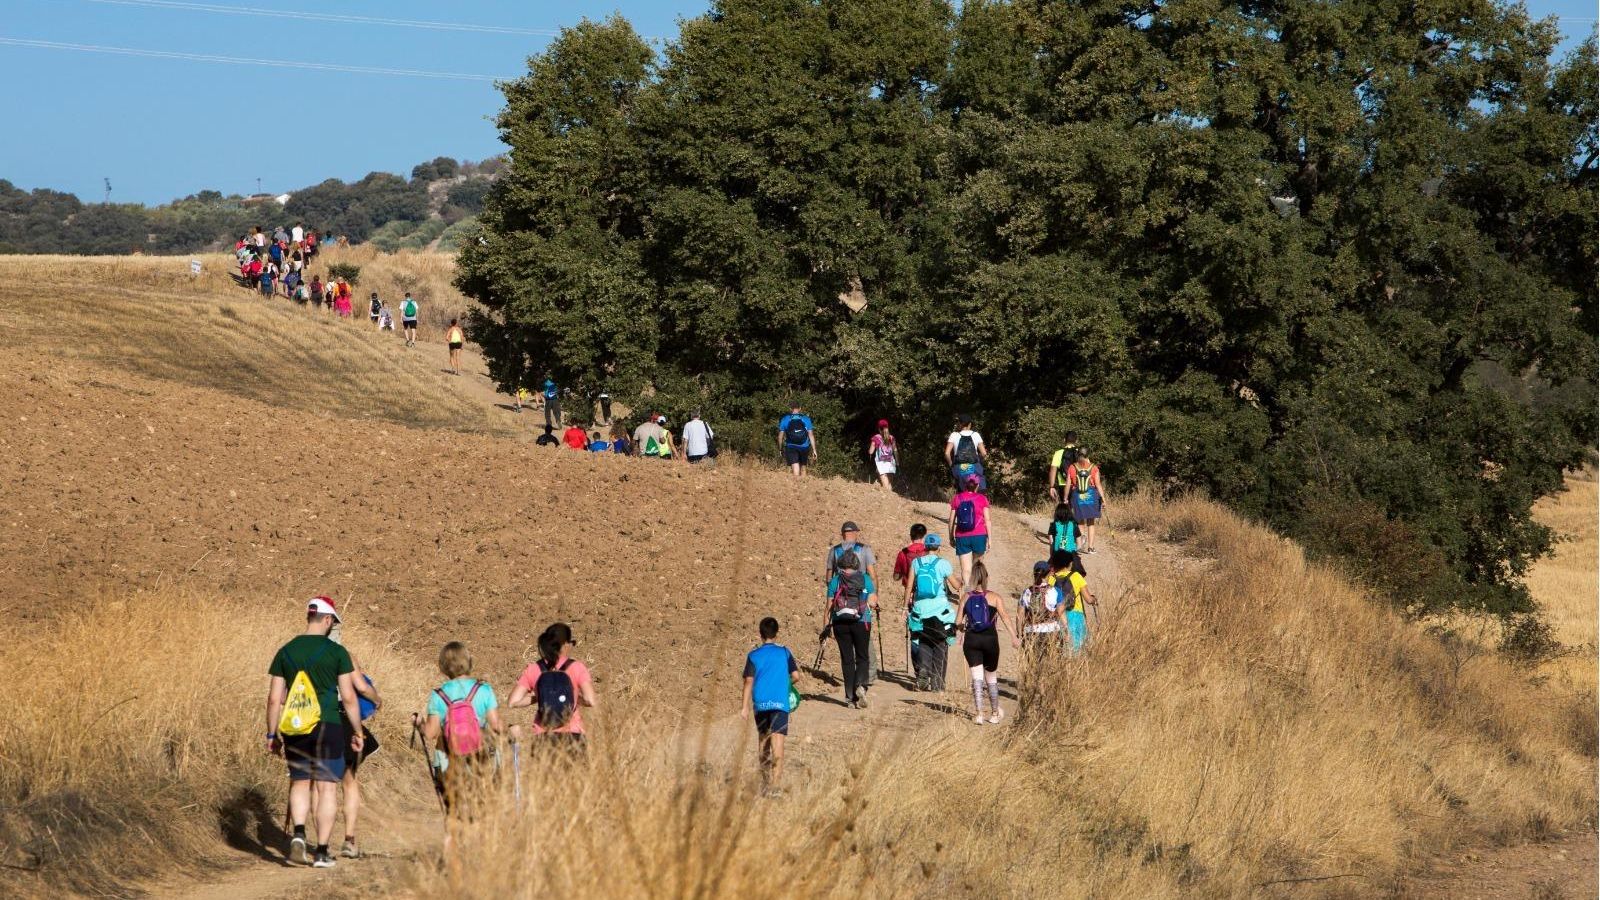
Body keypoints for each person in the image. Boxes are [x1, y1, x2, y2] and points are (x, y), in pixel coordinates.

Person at [265, 597, 364, 868]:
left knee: (300, 781)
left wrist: (272, 735)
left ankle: (298, 834)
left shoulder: (285, 651)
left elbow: (274, 699)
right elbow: (349, 697)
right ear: (328, 619)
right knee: (326, 787)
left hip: (295, 727)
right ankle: (321, 852)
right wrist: (357, 731)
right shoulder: (337, 652)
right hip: (328, 725)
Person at [418, 641, 505, 814]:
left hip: (449, 760)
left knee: (453, 812)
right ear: (469, 661)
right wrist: (510, 729)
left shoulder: (438, 695)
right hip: (480, 757)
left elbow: (430, 733)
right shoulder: (484, 689)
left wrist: (418, 723)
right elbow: (497, 726)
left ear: (443, 666)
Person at [329, 624, 382, 860]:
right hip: (342, 720)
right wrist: (377, 700)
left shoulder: (304, 653)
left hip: (313, 720)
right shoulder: (345, 655)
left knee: (322, 784)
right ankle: (349, 840)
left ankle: (320, 844)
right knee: (349, 781)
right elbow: (361, 687)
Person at [507, 623, 595, 750]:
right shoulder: (577, 667)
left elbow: (513, 702)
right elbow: (590, 700)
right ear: (565, 644)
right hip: (573, 736)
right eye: (572, 643)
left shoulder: (534, 668)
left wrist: (540, 696)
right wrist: (574, 697)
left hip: (543, 737)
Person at [956, 562, 1019, 725]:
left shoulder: (966, 597)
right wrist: (1014, 637)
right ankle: (994, 713)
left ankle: (978, 714)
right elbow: (1005, 617)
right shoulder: (995, 597)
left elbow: (958, 622)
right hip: (990, 640)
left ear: (972, 578)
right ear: (986, 578)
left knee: (976, 677)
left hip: (971, 640)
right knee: (990, 676)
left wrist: (962, 630)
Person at [740, 616, 798, 791]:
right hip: (780, 703)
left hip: (761, 704)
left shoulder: (753, 655)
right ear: (777, 633)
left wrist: (744, 707)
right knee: (777, 741)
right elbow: (796, 676)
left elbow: (748, 681)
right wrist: (784, 684)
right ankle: (776, 786)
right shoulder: (785, 652)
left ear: (760, 634)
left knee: (763, 741)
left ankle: (765, 783)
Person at [825, 522, 879, 689]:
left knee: (846, 654)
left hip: (840, 607)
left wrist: (836, 592)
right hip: (861, 603)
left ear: (842, 533)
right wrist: (873, 595)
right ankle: (868, 676)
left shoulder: (834, 551)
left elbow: (828, 577)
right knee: (864, 644)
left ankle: (850, 690)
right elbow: (872, 574)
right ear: (856, 532)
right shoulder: (864, 549)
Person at [903, 534, 958, 692]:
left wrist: (905, 607)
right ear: (938, 547)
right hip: (941, 612)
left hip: (921, 609)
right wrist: (961, 583)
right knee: (941, 643)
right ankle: (937, 683)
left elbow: (909, 586)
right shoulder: (943, 564)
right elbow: (956, 586)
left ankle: (923, 669)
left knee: (924, 641)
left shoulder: (916, 562)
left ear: (925, 547)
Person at [821, 549, 875, 708]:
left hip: (840, 622)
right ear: (856, 564)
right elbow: (872, 602)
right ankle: (860, 685)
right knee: (862, 656)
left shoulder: (835, 580)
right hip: (862, 621)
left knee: (847, 659)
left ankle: (850, 698)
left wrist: (826, 627)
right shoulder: (865, 579)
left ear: (840, 564)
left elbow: (829, 607)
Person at [1047, 549, 1096, 654]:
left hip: (1058, 616)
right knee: (1077, 650)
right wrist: (1094, 599)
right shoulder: (1076, 576)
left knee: (1059, 650)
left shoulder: (1051, 579)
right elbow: (1088, 599)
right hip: (1076, 616)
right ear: (1070, 563)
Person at [948, 474, 991, 588]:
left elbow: (951, 520)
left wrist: (951, 537)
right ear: (977, 485)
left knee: (966, 569)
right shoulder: (982, 498)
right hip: (979, 535)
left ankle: (968, 591)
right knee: (977, 566)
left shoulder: (957, 498)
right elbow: (987, 520)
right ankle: (977, 590)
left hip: (962, 536)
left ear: (965, 485)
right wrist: (990, 539)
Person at [1068, 452, 1105, 553]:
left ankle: (1081, 541)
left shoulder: (1072, 467)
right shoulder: (1094, 468)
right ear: (1088, 456)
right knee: (1091, 522)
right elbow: (1098, 484)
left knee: (1080, 520)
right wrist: (1103, 498)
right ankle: (1091, 547)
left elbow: (1068, 484)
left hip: (1077, 495)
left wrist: (1065, 498)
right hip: (1091, 496)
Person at [945, 414, 988, 491]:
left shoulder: (954, 435)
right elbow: (984, 453)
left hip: (959, 467)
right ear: (970, 424)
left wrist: (951, 465)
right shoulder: (976, 435)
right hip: (974, 466)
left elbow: (947, 453)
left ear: (959, 423)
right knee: (979, 486)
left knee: (961, 490)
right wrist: (979, 461)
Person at [776, 405, 816, 476]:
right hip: (804, 446)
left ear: (790, 408)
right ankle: (803, 482)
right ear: (800, 408)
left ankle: (796, 482)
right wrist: (814, 450)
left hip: (791, 446)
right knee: (803, 467)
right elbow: (811, 435)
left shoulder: (785, 419)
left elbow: (780, 437)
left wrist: (780, 449)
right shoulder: (806, 419)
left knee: (795, 466)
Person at [1046, 431, 1085, 504]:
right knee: (1078, 508)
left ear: (1064, 440)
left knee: (1066, 508)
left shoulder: (1058, 453)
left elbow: (1053, 470)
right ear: (1076, 441)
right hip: (1079, 485)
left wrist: (1052, 487)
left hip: (1063, 485)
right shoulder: (1081, 453)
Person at [892, 523, 928, 590]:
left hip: (910, 590)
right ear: (924, 536)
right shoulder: (928, 552)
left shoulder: (903, 553)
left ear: (911, 536)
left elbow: (896, 577)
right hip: (927, 589)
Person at [867, 419, 897, 490]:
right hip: (891, 464)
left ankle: (886, 497)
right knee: (889, 485)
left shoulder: (876, 438)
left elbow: (871, 452)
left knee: (886, 488)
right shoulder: (892, 438)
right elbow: (895, 451)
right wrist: (898, 462)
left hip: (881, 465)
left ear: (879, 428)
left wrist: (869, 451)